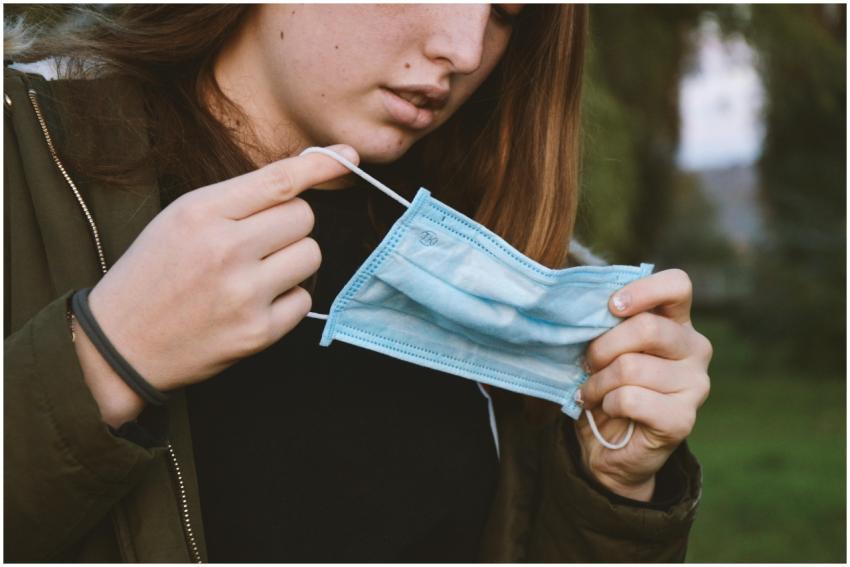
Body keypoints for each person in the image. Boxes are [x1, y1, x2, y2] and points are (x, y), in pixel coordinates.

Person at [4, 5, 711, 563]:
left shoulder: (508, 281)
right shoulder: (26, 159)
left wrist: (614, 493)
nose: (464, 51)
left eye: (504, 12)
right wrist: (103, 356)